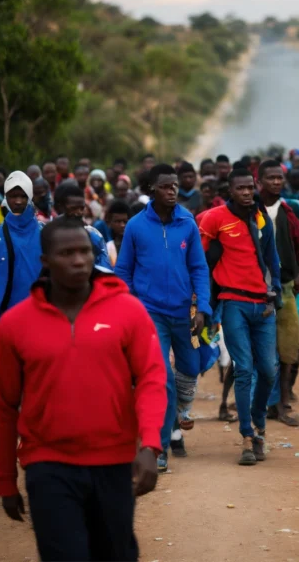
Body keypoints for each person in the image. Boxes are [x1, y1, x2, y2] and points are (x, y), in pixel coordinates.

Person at [0, 216, 164, 562]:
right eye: (67, 253)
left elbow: (151, 378)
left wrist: (150, 445)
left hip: (114, 463)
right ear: (45, 261)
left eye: (84, 251)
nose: (79, 260)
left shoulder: (127, 310)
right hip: (48, 465)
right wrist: (5, 480)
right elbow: (3, 406)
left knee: (115, 554)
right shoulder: (15, 324)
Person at [114, 164, 212, 470]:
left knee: (192, 367)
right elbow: (123, 272)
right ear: (150, 190)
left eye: (174, 186)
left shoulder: (187, 222)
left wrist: (204, 308)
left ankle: (179, 411)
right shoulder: (135, 226)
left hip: (184, 311)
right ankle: (160, 448)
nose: (173, 190)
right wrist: (133, 306)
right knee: (163, 380)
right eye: (166, 186)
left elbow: (198, 267)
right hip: (150, 313)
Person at [198, 168, 282, 466]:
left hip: (264, 305)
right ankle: (248, 437)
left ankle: (258, 424)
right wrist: (202, 305)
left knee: (270, 371)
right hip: (232, 302)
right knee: (244, 369)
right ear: (230, 190)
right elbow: (198, 259)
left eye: (250, 187)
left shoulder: (260, 217)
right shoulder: (214, 218)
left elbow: (272, 257)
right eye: (240, 188)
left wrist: (278, 295)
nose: (247, 192)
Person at [0, 171, 43, 371]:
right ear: (6, 197)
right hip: (1, 324)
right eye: (13, 195)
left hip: (39, 322)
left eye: (23, 196)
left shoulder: (46, 234)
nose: (18, 201)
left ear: (30, 197)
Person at [255, 160, 299, 427]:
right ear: (259, 181)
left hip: (284, 288)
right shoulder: (249, 210)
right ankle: (262, 402)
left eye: (279, 178)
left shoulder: (289, 211)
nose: (277, 182)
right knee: (259, 351)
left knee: (288, 348)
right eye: (271, 178)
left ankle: (283, 402)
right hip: (253, 289)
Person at [52, 182, 112, 270]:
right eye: (73, 208)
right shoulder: (48, 235)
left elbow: (105, 269)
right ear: (59, 207)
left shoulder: (93, 235)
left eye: (81, 208)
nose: (79, 213)